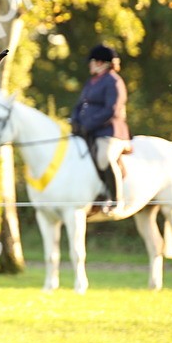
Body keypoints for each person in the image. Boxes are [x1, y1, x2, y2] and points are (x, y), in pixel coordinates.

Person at [70, 44, 130, 215]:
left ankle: (116, 200)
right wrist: (75, 121)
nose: (90, 65)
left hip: (109, 132)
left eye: (92, 61)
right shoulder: (92, 82)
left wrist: (88, 125)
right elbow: (80, 104)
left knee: (104, 157)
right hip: (87, 132)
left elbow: (112, 110)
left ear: (102, 63)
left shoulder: (114, 81)